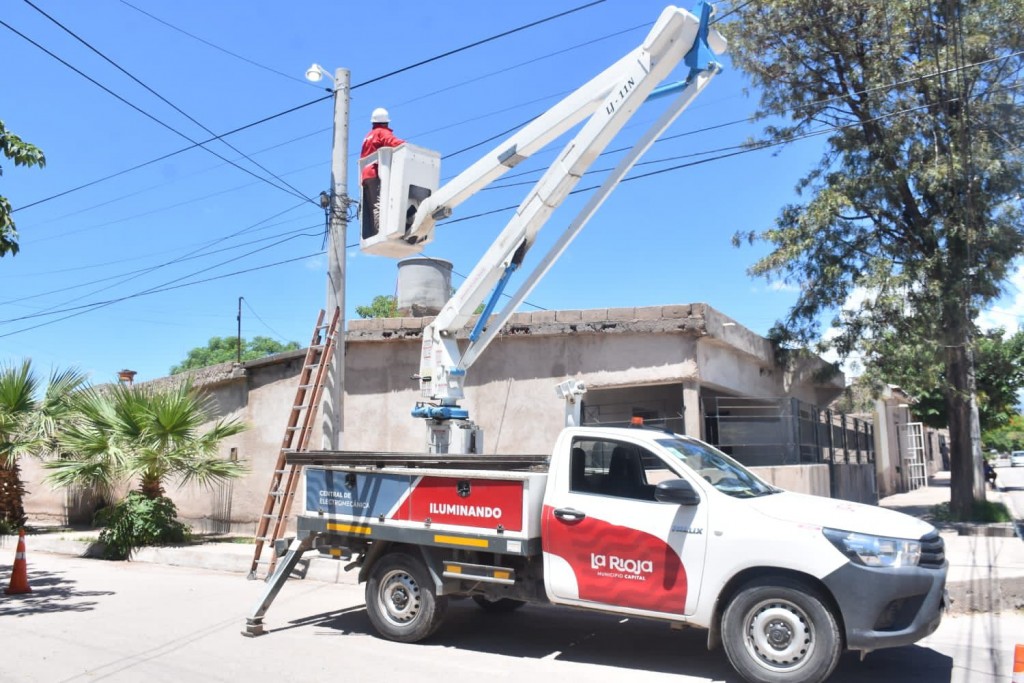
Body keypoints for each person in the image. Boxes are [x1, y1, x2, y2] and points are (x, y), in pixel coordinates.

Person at [360, 107, 404, 239]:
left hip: (366, 175)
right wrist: (406, 145)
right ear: (386, 123)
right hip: (375, 173)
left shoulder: (368, 136)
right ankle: (380, 231)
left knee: (372, 205)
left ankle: (375, 231)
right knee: (379, 203)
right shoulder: (381, 132)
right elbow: (392, 142)